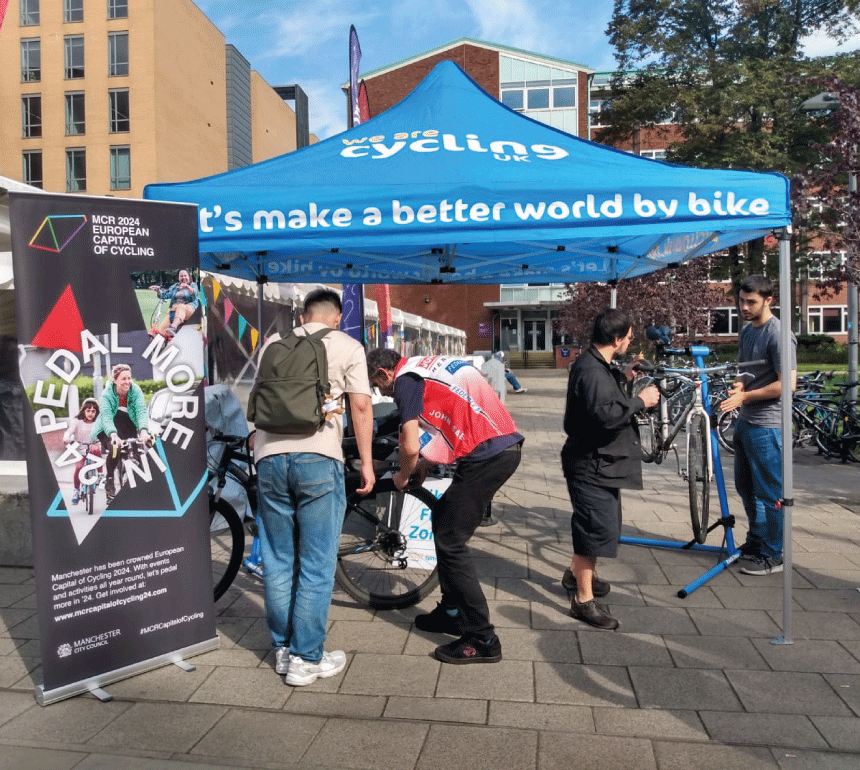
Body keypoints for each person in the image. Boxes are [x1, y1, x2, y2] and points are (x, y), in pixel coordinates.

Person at [366, 349, 523, 664]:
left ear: (384, 373)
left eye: (377, 385)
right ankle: (452, 612)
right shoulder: (422, 366)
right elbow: (452, 410)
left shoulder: (406, 382)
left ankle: (483, 638)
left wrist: (404, 474)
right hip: (497, 447)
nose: (380, 392)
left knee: (451, 541)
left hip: (489, 454)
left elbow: (409, 444)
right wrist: (424, 462)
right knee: (442, 518)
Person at [254, 289, 374, 687]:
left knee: (277, 558)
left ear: (303, 315)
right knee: (317, 562)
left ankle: (284, 650)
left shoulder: (273, 342)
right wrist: (368, 464)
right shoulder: (347, 344)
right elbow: (360, 406)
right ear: (336, 317)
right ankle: (308, 658)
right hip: (318, 458)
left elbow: (260, 400)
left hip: (268, 458)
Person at [560, 309, 659, 630]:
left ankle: (575, 573)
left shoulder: (596, 365)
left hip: (599, 462)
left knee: (600, 526)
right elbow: (604, 415)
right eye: (629, 337)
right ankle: (583, 600)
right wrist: (640, 401)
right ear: (616, 339)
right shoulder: (591, 371)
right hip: (591, 463)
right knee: (595, 530)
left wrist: (624, 377)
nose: (630, 341)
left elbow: (599, 400)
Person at [719, 274, 796, 576]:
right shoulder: (747, 332)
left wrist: (746, 396)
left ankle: (774, 554)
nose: (744, 307)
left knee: (770, 492)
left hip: (768, 426)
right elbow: (745, 372)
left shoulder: (778, 334)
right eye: (741, 301)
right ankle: (757, 540)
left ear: (769, 300)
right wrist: (739, 388)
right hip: (746, 421)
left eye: (751, 302)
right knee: (745, 487)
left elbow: (787, 385)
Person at [92, 364, 152, 504]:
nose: (127, 382)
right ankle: (110, 479)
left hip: (126, 424)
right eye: (123, 378)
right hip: (107, 428)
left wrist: (143, 430)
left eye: (129, 378)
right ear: (115, 380)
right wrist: (113, 435)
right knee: (115, 448)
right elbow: (106, 417)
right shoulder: (107, 394)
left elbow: (141, 411)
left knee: (135, 448)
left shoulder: (135, 390)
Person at [63, 397, 101, 505]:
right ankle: (76, 490)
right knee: (79, 467)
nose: (90, 413)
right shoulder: (77, 421)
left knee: (95, 449)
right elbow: (69, 432)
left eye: (93, 411)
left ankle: (100, 474)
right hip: (80, 447)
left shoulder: (98, 422)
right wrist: (66, 438)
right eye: (88, 411)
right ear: (83, 411)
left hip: (94, 446)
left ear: (96, 412)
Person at [149, 269, 199, 338]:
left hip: (188, 309)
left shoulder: (193, 285)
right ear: (178, 278)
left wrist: (187, 286)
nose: (183, 278)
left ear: (189, 277)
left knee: (181, 307)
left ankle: (173, 327)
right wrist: (157, 290)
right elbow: (165, 294)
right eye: (181, 276)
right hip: (174, 310)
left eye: (185, 276)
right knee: (161, 332)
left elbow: (194, 294)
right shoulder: (175, 286)